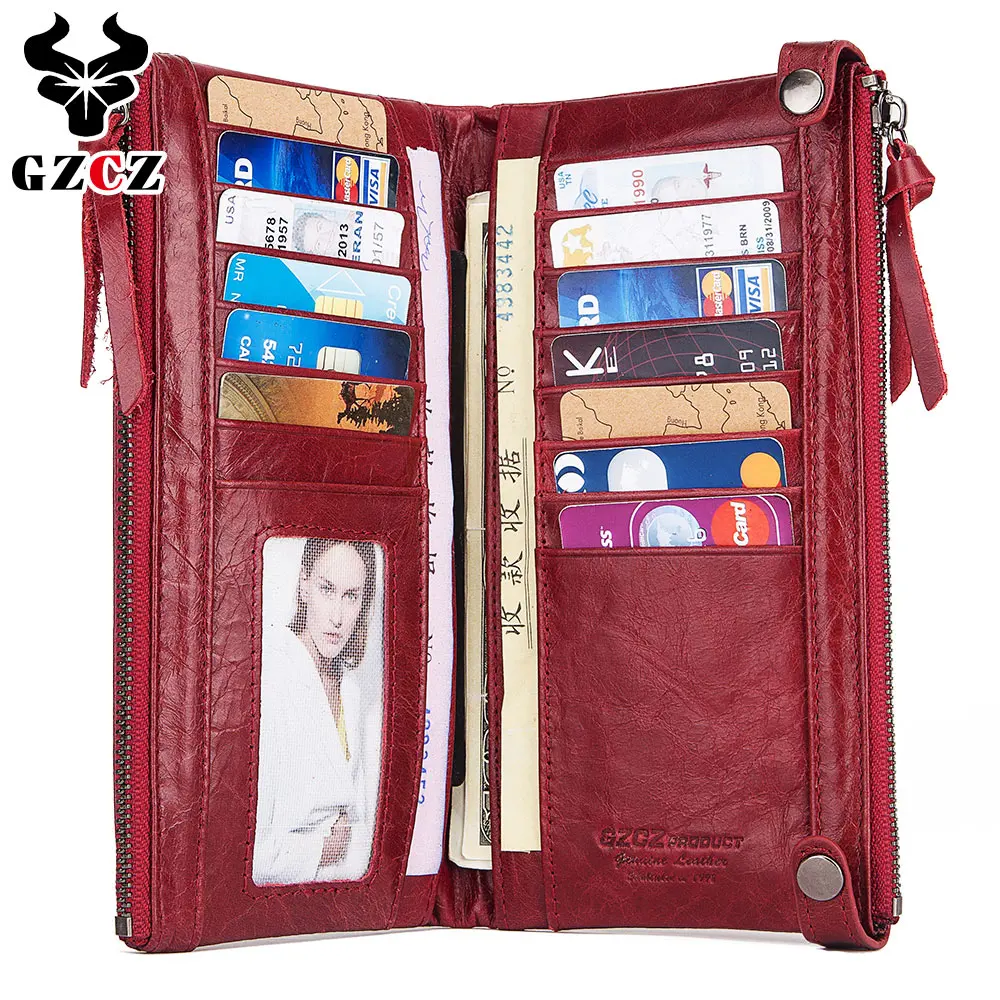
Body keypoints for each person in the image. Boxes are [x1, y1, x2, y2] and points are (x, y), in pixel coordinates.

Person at [253, 538, 382, 885]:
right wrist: (322, 850)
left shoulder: (352, 692)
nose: (337, 617)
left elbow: (361, 824)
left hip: (349, 898)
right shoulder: (271, 678)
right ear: (304, 585)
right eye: (327, 589)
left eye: (351, 596)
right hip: (286, 902)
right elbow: (247, 852)